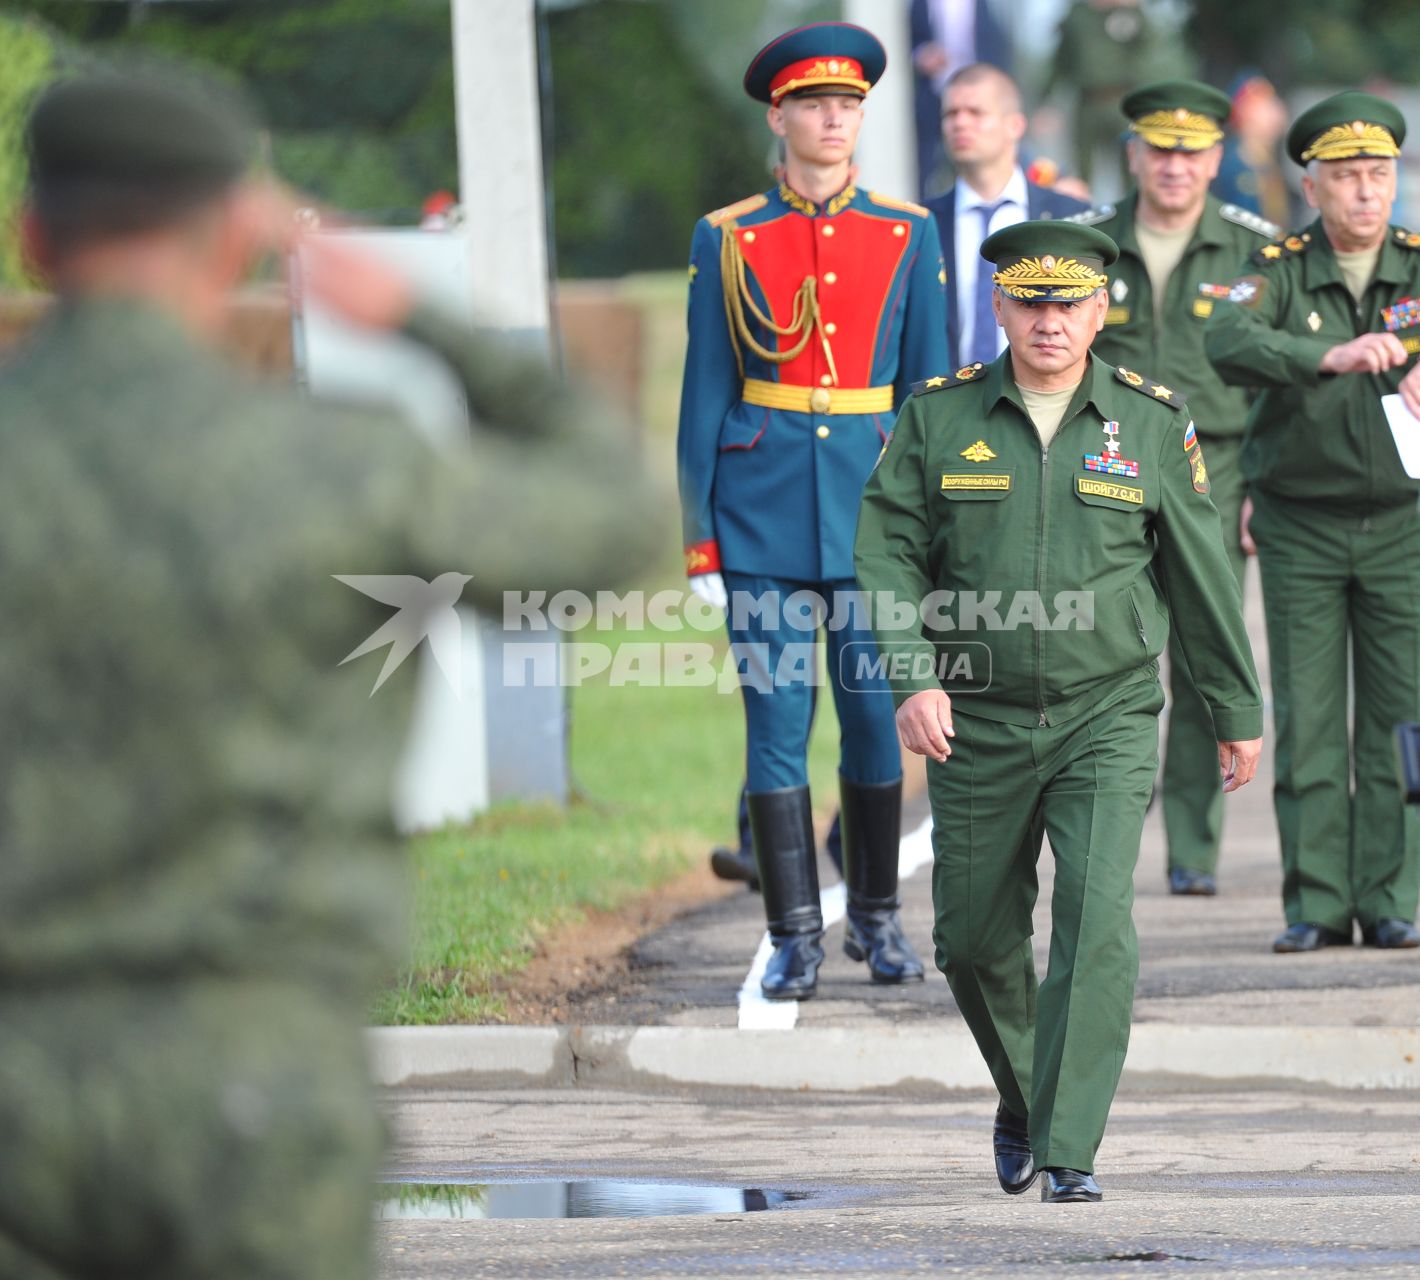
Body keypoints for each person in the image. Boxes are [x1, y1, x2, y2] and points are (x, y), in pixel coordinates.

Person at [0, 66, 664, 1279]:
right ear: (235, 240)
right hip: (257, 1073)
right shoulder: (339, 469)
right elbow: (615, 510)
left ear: (34, 237)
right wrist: (426, 318)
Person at [855, 221, 1262, 1201]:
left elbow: (1202, 577)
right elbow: (886, 552)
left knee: (1093, 915)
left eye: (1068, 301)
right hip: (977, 717)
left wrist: (1231, 705)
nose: (1048, 319)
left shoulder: (1152, 423)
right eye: (1030, 301)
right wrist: (911, 676)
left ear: (1100, 309)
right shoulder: (938, 417)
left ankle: (1069, 1144)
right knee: (970, 938)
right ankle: (1026, 1091)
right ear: (999, 307)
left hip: (1107, 708)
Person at [677, 22, 948, 999]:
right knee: (774, 727)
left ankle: (874, 918)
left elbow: (927, 396)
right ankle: (792, 933)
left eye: (848, 105)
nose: (834, 120)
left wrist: (937, 529)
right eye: (814, 105)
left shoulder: (905, 233)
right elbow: (702, 398)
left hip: (875, 521)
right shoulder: (728, 236)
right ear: (778, 115)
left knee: (877, 725)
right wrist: (701, 541)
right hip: (757, 522)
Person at [1206, 91, 1420, 954]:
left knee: (1403, 718)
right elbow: (1226, 338)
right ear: (1312, 184)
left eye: (1380, 175)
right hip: (1300, 522)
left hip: (1404, 525)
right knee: (1308, 715)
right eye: (1347, 177)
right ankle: (1318, 902)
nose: (1367, 193)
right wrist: (1321, 355)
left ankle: (1396, 894)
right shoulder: (1280, 268)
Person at [1069, 80, 1280, 896]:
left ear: (1216, 159)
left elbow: (1276, 380)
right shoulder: (1087, 244)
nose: (1174, 167)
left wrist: (1266, 483)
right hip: (1103, 465)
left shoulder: (1254, 251)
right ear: (1134, 153)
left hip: (1218, 468)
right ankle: (1102, 825)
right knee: (1100, 647)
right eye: (1159, 150)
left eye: (1191, 153)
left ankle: (1192, 849)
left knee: (1200, 650)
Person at [926, 63, 1087, 369]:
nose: (960, 123)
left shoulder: (1070, 216)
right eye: (950, 114)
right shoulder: (922, 222)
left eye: (975, 112)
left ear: (1014, 125)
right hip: (945, 404)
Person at [1041, 0, 1167, 194]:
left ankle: (1130, 217)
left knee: (1131, 165)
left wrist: (1135, 8)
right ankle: (1081, 216)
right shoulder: (1078, 14)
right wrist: (1046, 101)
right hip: (1087, 101)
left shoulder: (1128, 12)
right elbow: (1061, 60)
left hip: (1122, 101)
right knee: (1081, 169)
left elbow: (1150, 43)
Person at [909, 0, 1011, 199]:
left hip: (979, 92)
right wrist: (921, 55)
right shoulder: (918, 5)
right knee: (927, 163)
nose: (961, 122)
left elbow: (998, 44)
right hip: (930, 97)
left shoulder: (987, 6)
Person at [1212, 73, 1293, 230]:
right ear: (1244, 113)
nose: (1275, 111)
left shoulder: (1267, 164)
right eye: (1264, 106)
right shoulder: (1233, 167)